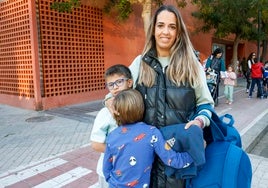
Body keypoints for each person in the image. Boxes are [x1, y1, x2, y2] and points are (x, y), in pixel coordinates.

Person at [127, 5, 214, 188]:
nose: (165, 32)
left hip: (180, 160)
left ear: (178, 32)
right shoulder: (140, 63)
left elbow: (205, 104)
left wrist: (199, 122)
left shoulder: (191, 65)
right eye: (160, 25)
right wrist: (110, 101)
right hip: (145, 161)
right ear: (153, 30)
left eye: (172, 27)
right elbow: (118, 95)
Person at [103, 89, 195, 188]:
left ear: (117, 112)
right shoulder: (151, 132)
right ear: (142, 108)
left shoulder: (112, 135)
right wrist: (194, 153)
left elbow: (106, 169)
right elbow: (172, 160)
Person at [90, 64, 133, 188]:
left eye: (119, 82)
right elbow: (96, 144)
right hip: (109, 171)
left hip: (131, 171)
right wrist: (121, 152)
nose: (115, 87)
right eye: (111, 84)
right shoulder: (105, 113)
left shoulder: (138, 106)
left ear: (129, 82)